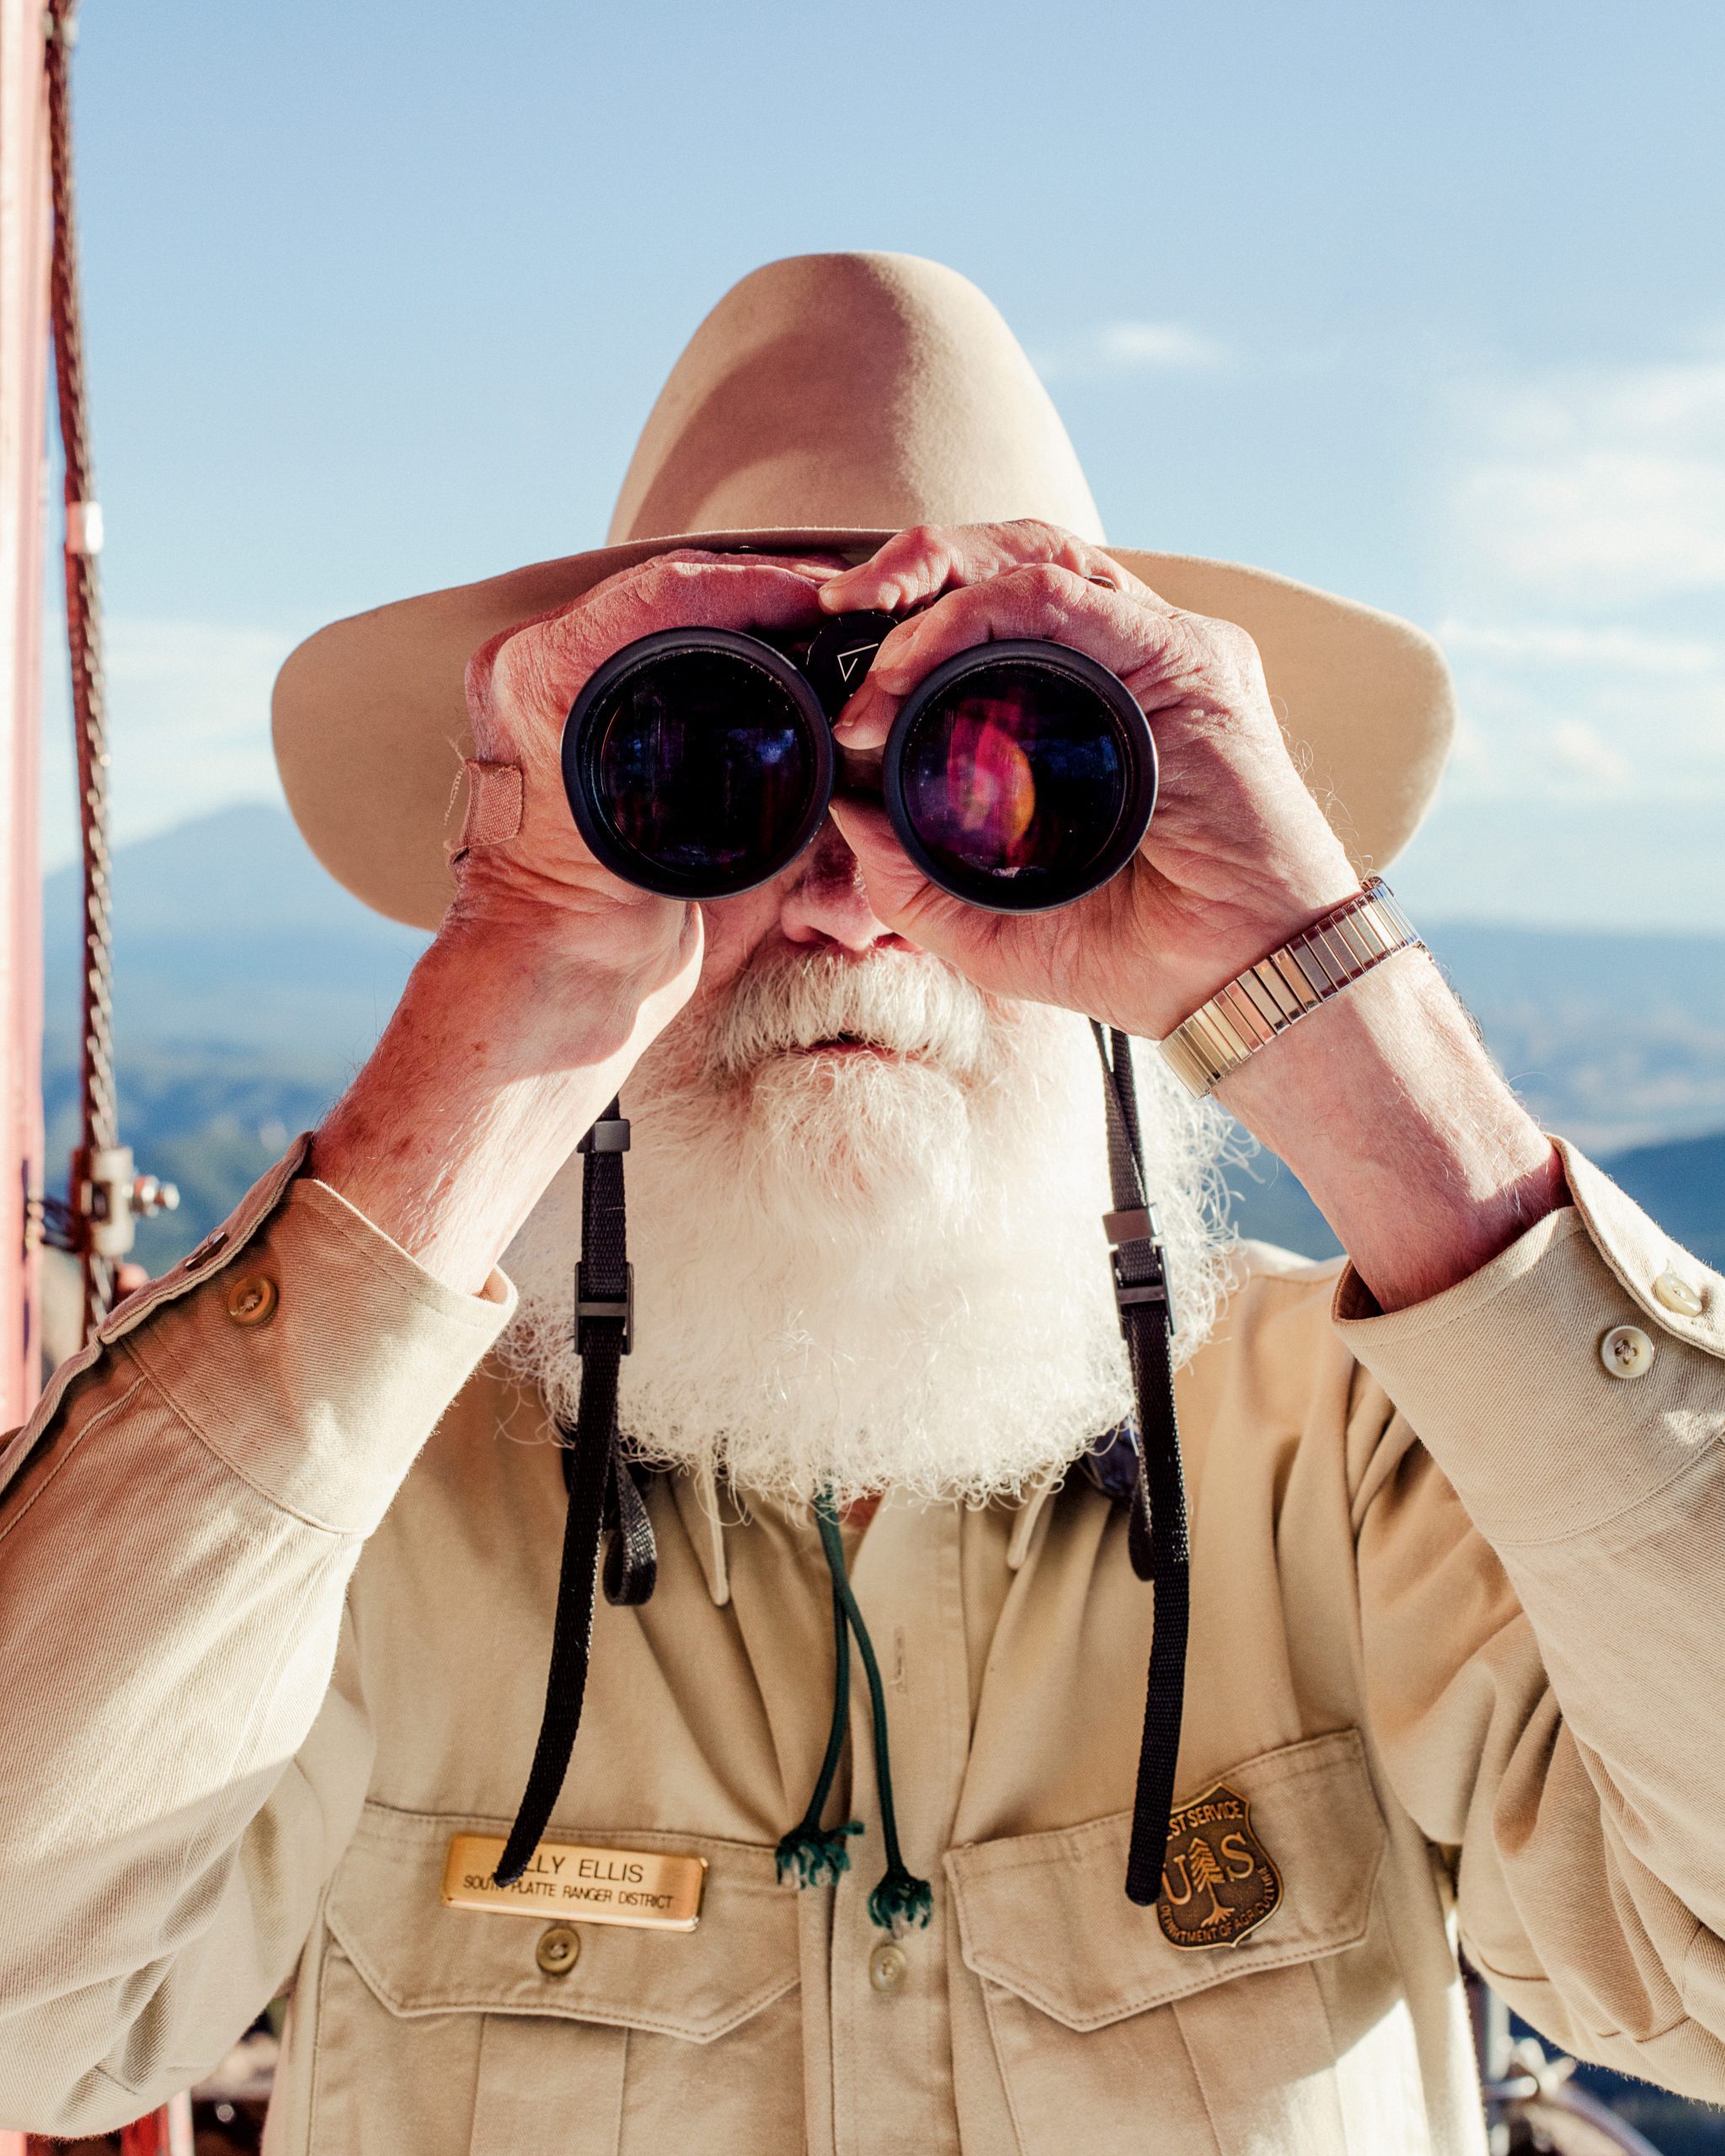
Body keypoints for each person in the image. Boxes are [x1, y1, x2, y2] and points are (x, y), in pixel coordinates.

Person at [3, 252, 1722, 2156]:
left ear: (1146, 818)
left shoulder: (1351, 1452)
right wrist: (498, 1007)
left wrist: (1317, 980)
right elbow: (22, 2006)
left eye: (989, 779)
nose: (845, 900)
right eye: (712, 776)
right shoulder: (371, 1501)